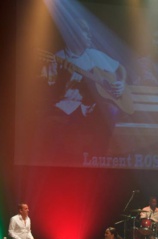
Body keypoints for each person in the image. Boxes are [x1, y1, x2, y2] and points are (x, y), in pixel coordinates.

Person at [35, 17, 131, 163]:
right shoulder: (58, 58)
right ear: (74, 34)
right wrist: (62, 78)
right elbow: (51, 90)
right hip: (68, 108)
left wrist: (121, 83)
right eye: (85, 32)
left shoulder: (95, 55)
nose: (90, 35)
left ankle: (99, 159)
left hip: (91, 109)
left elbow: (120, 68)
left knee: (111, 110)